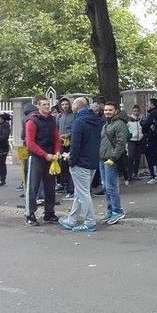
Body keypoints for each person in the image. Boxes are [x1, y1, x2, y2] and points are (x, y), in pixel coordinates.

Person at [58, 97, 103, 232]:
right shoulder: (97, 120)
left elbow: (76, 144)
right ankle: (71, 220)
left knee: (83, 193)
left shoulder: (78, 121)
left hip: (80, 162)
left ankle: (90, 222)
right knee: (79, 192)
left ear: (76, 107)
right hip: (93, 160)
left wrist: (71, 160)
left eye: (73, 105)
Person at [24, 96, 61, 226]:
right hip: (36, 158)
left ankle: (49, 213)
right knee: (33, 187)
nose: (46, 106)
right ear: (38, 106)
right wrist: (45, 155)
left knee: (50, 187)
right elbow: (30, 143)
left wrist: (57, 151)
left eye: (47, 104)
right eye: (44, 104)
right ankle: (29, 214)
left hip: (51, 157)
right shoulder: (32, 121)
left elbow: (56, 138)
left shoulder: (52, 120)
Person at [99, 102, 127, 225]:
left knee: (111, 186)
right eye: (106, 110)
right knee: (105, 186)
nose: (107, 112)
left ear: (115, 111)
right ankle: (110, 210)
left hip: (111, 159)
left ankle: (117, 210)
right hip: (103, 159)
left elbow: (121, 143)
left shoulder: (119, 124)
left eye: (110, 110)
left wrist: (113, 157)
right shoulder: (107, 124)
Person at [141, 98, 157, 184]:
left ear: (152, 105)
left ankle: (155, 176)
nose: (147, 106)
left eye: (148, 104)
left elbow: (145, 125)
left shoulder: (153, 114)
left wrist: (142, 123)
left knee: (151, 157)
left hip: (151, 138)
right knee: (153, 156)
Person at [56, 98, 75, 197]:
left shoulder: (74, 115)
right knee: (62, 166)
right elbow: (56, 129)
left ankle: (71, 189)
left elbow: (75, 129)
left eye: (66, 104)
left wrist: (68, 135)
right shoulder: (60, 116)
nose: (64, 106)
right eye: (62, 104)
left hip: (71, 144)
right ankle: (65, 185)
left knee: (70, 165)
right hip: (61, 144)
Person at [126, 104, 144, 181]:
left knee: (138, 158)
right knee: (130, 157)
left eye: (137, 111)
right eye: (134, 111)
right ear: (132, 112)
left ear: (139, 112)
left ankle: (135, 173)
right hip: (131, 141)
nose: (136, 113)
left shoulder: (142, 120)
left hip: (140, 140)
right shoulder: (129, 120)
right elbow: (125, 129)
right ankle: (129, 174)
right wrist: (129, 135)